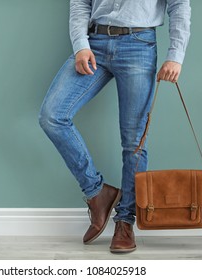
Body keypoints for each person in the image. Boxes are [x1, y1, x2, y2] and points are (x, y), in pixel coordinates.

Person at [39, 0, 191, 253]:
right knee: (52, 116)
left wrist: (175, 55)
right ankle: (97, 192)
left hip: (139, 44)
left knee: (134, 142)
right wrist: (80, 45)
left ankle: (125, 221)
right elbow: (80, 3)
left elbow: (179, 5)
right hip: (93, 43)